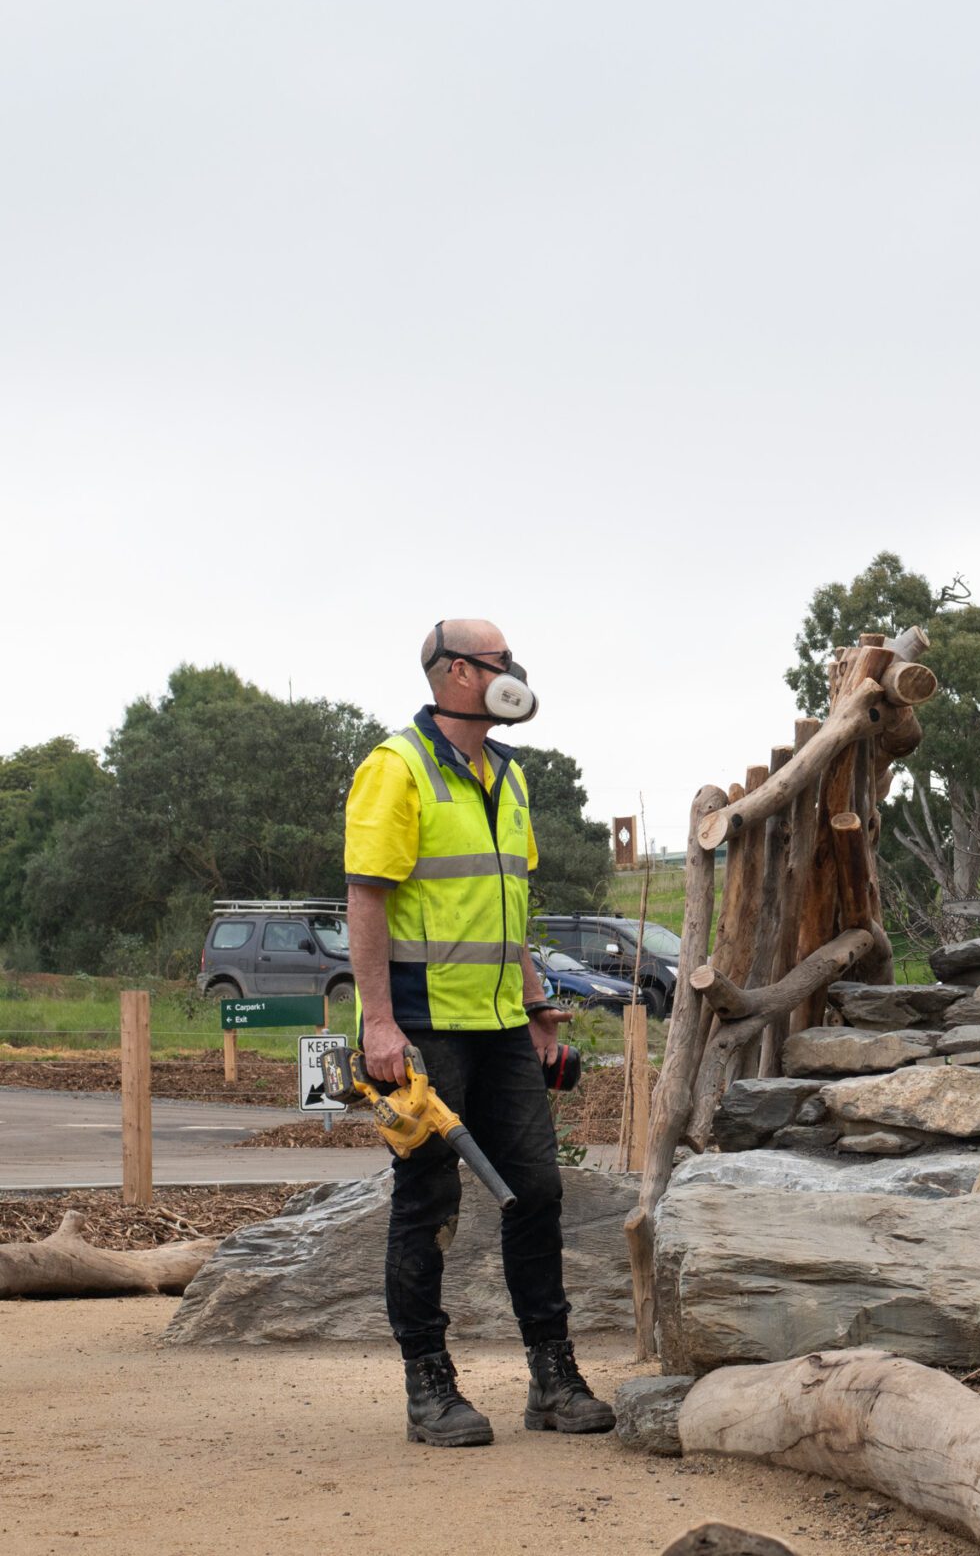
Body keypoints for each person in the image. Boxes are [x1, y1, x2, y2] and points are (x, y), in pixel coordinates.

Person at [344, 619, 614, 1447]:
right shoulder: (396, 767)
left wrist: (535, 1004)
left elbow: (508, 909)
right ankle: (429, 1384)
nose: (515, 671)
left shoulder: (511, 774)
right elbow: (366, 899)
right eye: (501, 661)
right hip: (423, 1029)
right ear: (458, 673)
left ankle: (553, 1378)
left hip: (500, 1026)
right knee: (427, 1197)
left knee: (538, 1190)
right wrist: (379, 1023)